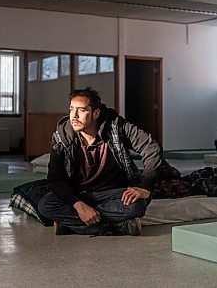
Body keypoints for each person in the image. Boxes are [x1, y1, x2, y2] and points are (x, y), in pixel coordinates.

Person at [37, 87, 164, 236]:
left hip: (114, 193)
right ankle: (117, 227)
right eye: (72, 109)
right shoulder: (61, 137)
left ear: (96, 113)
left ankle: (72, 225)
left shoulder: (117, 127)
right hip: (79, 194)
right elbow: (56, 178)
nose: (74, 116)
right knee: (46, 205)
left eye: (82, 110)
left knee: (136, 206)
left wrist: (144, 187)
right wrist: (78, 205)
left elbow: (152, 148)